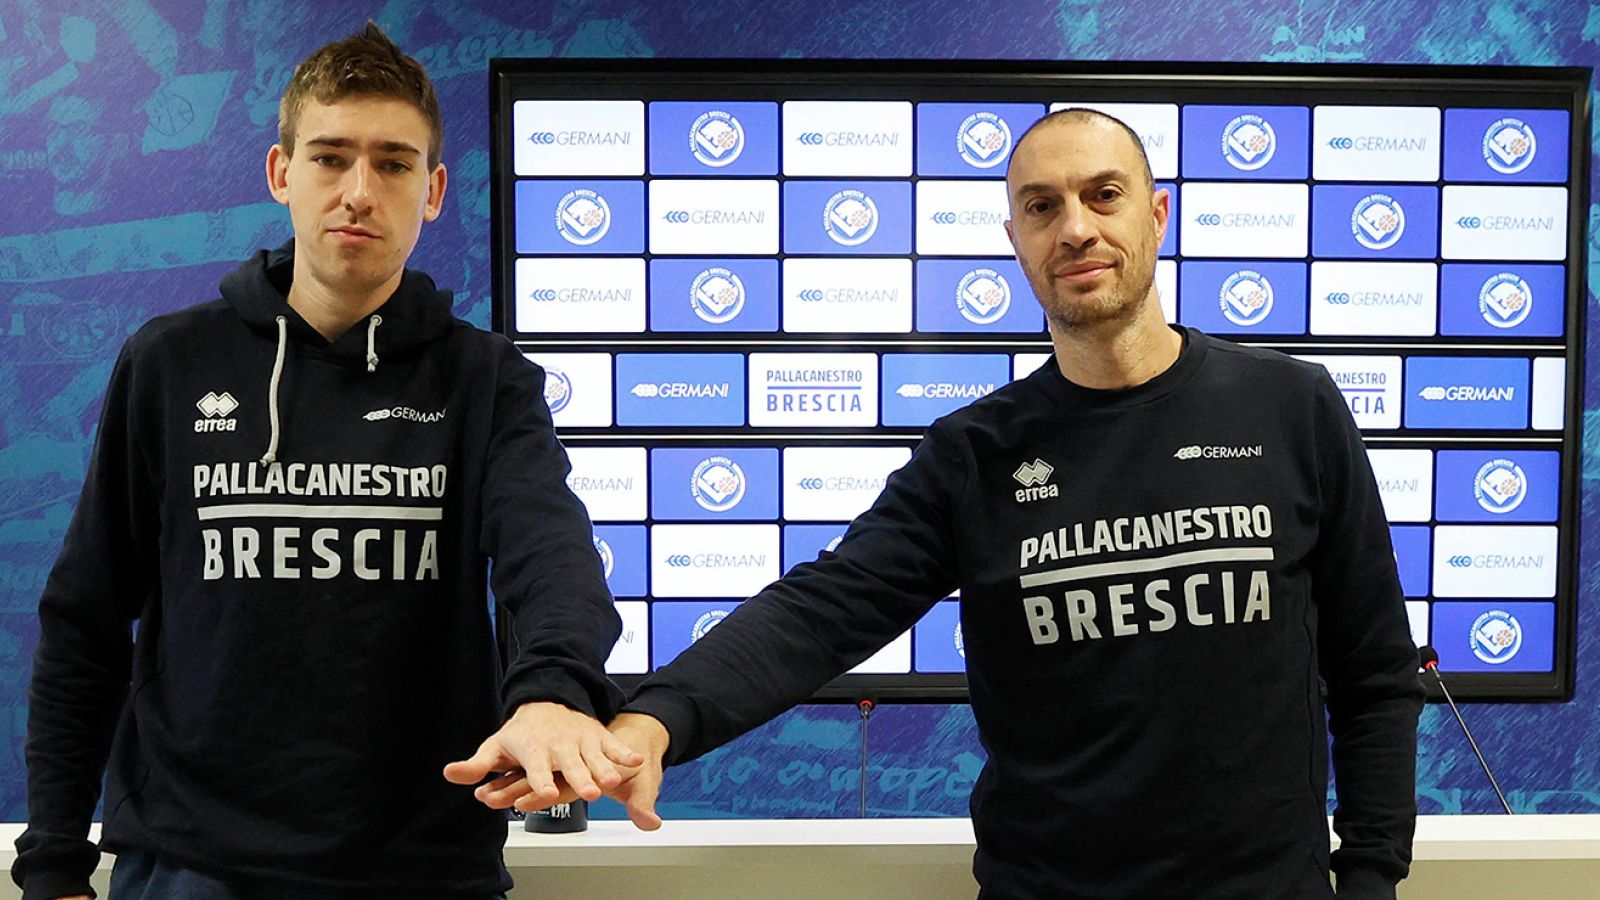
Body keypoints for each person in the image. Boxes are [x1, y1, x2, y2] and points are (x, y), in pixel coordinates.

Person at [493, 108, 1426, 899]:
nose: (1076, 229)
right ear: (1016, 240)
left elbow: (1375, 674)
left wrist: (1372, 876)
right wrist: (653, 721)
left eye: (1103, 195)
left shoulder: (1290, 408)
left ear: (1157, 214)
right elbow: (821, 611)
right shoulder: (975, 454)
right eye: (1042, 207)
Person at [15, 23, 638, 900]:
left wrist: (552, 692)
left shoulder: (485, 379)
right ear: (282, 174)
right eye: (330, 158)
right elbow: (85, 619)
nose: (358, 191)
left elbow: (555, 561)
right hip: (192, 868)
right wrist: (52, 864)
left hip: (422, 871)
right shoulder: (169, 362)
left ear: (433, 191)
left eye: (393, 163)